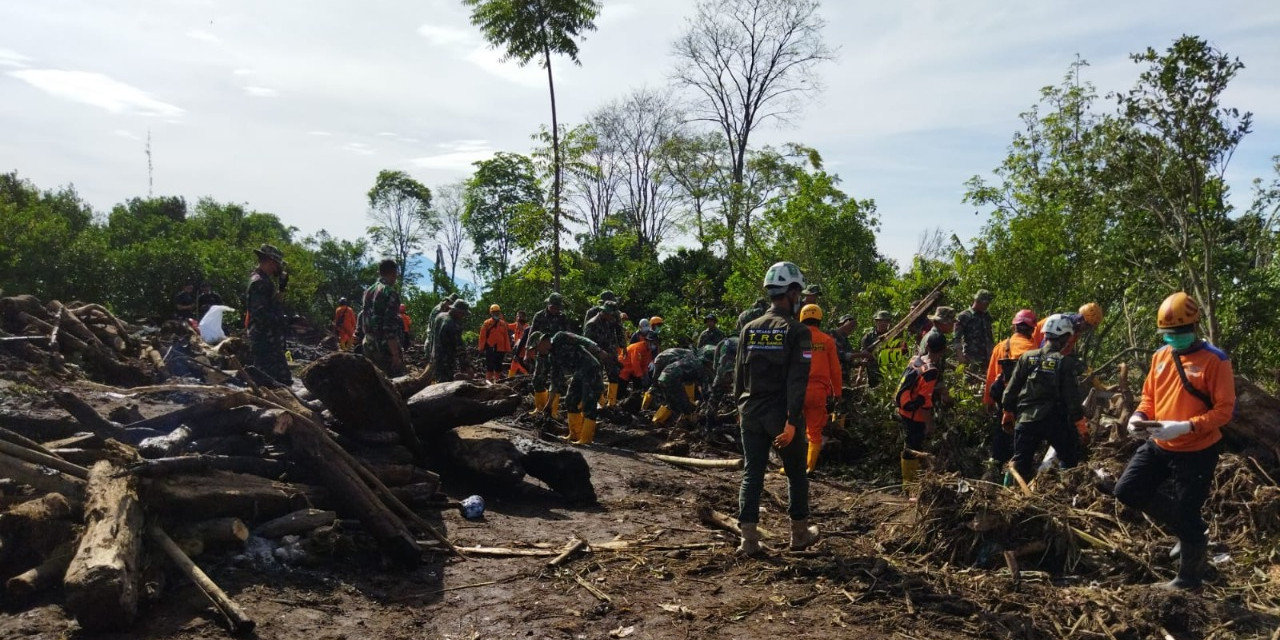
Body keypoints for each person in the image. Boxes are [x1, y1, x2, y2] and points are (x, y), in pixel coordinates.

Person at [1113, 292, 1235, 591]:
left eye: (1180, 332)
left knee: (1187, 510)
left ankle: (1189, 578)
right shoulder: (1160, 356)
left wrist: (1185, 426)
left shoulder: (1215, 360)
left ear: (1194, 327)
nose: (1175, 338)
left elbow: (1224, 411)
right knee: (1127, 489)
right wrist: (1138, 416)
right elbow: (1150, 397)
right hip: (1159, 443)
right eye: (1169, 334)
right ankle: (1189, 531)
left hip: (1197, 449)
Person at [734, 261, 817, 555]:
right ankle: (799, 534)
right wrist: (793, 421)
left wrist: (740, 409)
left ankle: (748, 541)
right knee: (796, 472)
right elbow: (798, 380)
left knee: (752, 473)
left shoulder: (749, 329)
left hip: (750, 413)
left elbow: (738, 378)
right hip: (781, 417)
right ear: (792, 292)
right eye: (799, 293)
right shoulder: (798, 332)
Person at [1000, 313, 1087, 484]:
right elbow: (1072, 399)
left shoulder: (1027, 357)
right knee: (1069, 459)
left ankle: (1006, 497)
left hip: (1026, 420)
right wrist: (1080, 425)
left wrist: (1007, 411)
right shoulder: (1065, 363)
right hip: (1054, 422)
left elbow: (1011, 389)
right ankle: (1066, 494)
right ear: (1064, 337)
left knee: (1019, 462)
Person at [528, 330, 611, 445]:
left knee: (588, 403)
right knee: (570, 401)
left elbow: (582, 339)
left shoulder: (560, 337)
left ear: (543, 341)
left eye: (537, 347)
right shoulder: (553, 356)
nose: (538, 351)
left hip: (590, 368)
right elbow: (555, 380)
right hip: (579, 372)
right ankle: (575, 435)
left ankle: (586, 439)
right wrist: (549, 404)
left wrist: (599, 350)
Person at [982, 309, 1038, 477]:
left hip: (1003, 402)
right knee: (1021, 444)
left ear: (1014, 327)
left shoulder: (1001, 347)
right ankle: (1017, 478)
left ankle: (993, 474)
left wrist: (988, 401)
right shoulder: (1033, 349)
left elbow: (991, 376)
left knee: (1000, 438)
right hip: (1025, 404)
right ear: (1031, 329)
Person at [895, 332, 945, 488]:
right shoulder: (930, 371)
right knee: (912, 447)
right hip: (915, 415)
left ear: (927, 346)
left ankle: (910, 482)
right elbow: (925, 401)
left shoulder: (916, 360)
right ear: (943, 350)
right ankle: (909, 485)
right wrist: (929, 424)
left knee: (910, 444)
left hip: (904, 410)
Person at [799, 305, 842, 475]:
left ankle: (791, 466)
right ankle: (809, 467)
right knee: (814, 431)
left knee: (792, 426)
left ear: (801, 318)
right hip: (818, 392)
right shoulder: (826, 340)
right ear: (819, 319)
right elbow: (835, 369)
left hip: (797, 390)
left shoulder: (797, 339)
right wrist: (837, 392)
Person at [245, 244, 292, 385]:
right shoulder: (259, 282)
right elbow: (261, 313)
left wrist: (282, 288)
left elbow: (271, 303)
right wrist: (280, 320)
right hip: (265, 338)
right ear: (271, 262)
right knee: (277, 379)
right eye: (277, 264)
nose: (278, 268)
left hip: (268, 337)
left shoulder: (264, 280)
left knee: (274, 379)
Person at [522, 293, 572, 416]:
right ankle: (539, 408)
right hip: (543, 352)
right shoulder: (539, 316)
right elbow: (532, 334)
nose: (555, 309)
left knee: (557, 381)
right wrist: (528, 351)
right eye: (553, 307)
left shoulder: (563, 317)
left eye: (557, 307)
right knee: (538, 379)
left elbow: (567, 334)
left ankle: (552, 411)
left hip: (558, 353)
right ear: (548, 305)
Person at [359, 259, 406, 376]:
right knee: (394, 385)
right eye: (396, 274)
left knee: (372, 381)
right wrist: (395, 354)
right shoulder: (389, 293)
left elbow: (362, 316)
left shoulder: (368, 291)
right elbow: (389, 326)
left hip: (368, 344)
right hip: (384, 348)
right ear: (393, 273)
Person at [653, 346, 716, 427]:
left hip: (663, 377)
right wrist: (709, 406)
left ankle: (657, 423)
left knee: (672, 403)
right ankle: (689, 425)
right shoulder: (701, 368)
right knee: (686, 407)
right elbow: (706, 389)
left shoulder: (691, 359)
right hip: (671, 380)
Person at [584, 301, 625, 408]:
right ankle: (601, 402)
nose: (612, 317)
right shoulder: (592, 324)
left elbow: (619, 330)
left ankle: (612, 402)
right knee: (598, 377)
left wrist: (623, 345)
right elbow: (586, 343)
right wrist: (597, 353)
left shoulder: (611, 319)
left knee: (614, 375)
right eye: (610, 315)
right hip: (596, 354)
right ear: (604, 312)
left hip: (610, 351)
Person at [1032, 302, 1104, 352]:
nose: (1086, 329)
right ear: (1082, 319)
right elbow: (1046, 350)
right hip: (1029, 347)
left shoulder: (1075, 330)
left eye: (1089, 327)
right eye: (1087, 325)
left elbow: (1065, 351)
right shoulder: (1061, 323)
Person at [432, 300, 472, 382]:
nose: (463, 316)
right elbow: (459, 347)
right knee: (444, 384)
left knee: (438, 378)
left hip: (435, 356)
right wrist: (466, 366)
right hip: (446, 360)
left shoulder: (440, 316)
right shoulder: (453, 324)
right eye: (463, 313)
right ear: (457, 311)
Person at [955, 290, 996, 366]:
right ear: (977, 301)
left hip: (987, 360)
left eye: (988, 303)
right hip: (970, 359)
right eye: (985, 303)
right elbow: (956, 338)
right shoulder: (964, 316)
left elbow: (990, 337)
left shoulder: (987, 316)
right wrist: (960, 355)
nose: (987, 305)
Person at [478, 304, 512, 383]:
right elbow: (482, 336)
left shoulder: (503, 323)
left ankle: (497, 382)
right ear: (491, 313)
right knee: (489, 366)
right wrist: (481, 348)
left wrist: (508, 349)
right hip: (490, 347)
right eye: (494, 312)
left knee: (498, 366)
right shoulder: (487, 323)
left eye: (497, 312)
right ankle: (488, 381)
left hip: (501, 348)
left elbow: (506, 337)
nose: (496, 314)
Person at [708, 336, 739, 409]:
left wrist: (717, 378)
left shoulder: (721, 343)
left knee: (714, 397)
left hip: (723, 370)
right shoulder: (742, 340)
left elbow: (715, 365)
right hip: (738, 372)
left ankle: (710, 415)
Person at [508, 309, 530, 377]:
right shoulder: (516, 325)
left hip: (524, 352)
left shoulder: (527, 327)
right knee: (513, 366)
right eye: (517, 316)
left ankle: (529, 378)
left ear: (524, 317)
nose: (518, 318)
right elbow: (505, 325)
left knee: (523, 368)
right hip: (517, 352)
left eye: (520, 316)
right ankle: (509, 380)